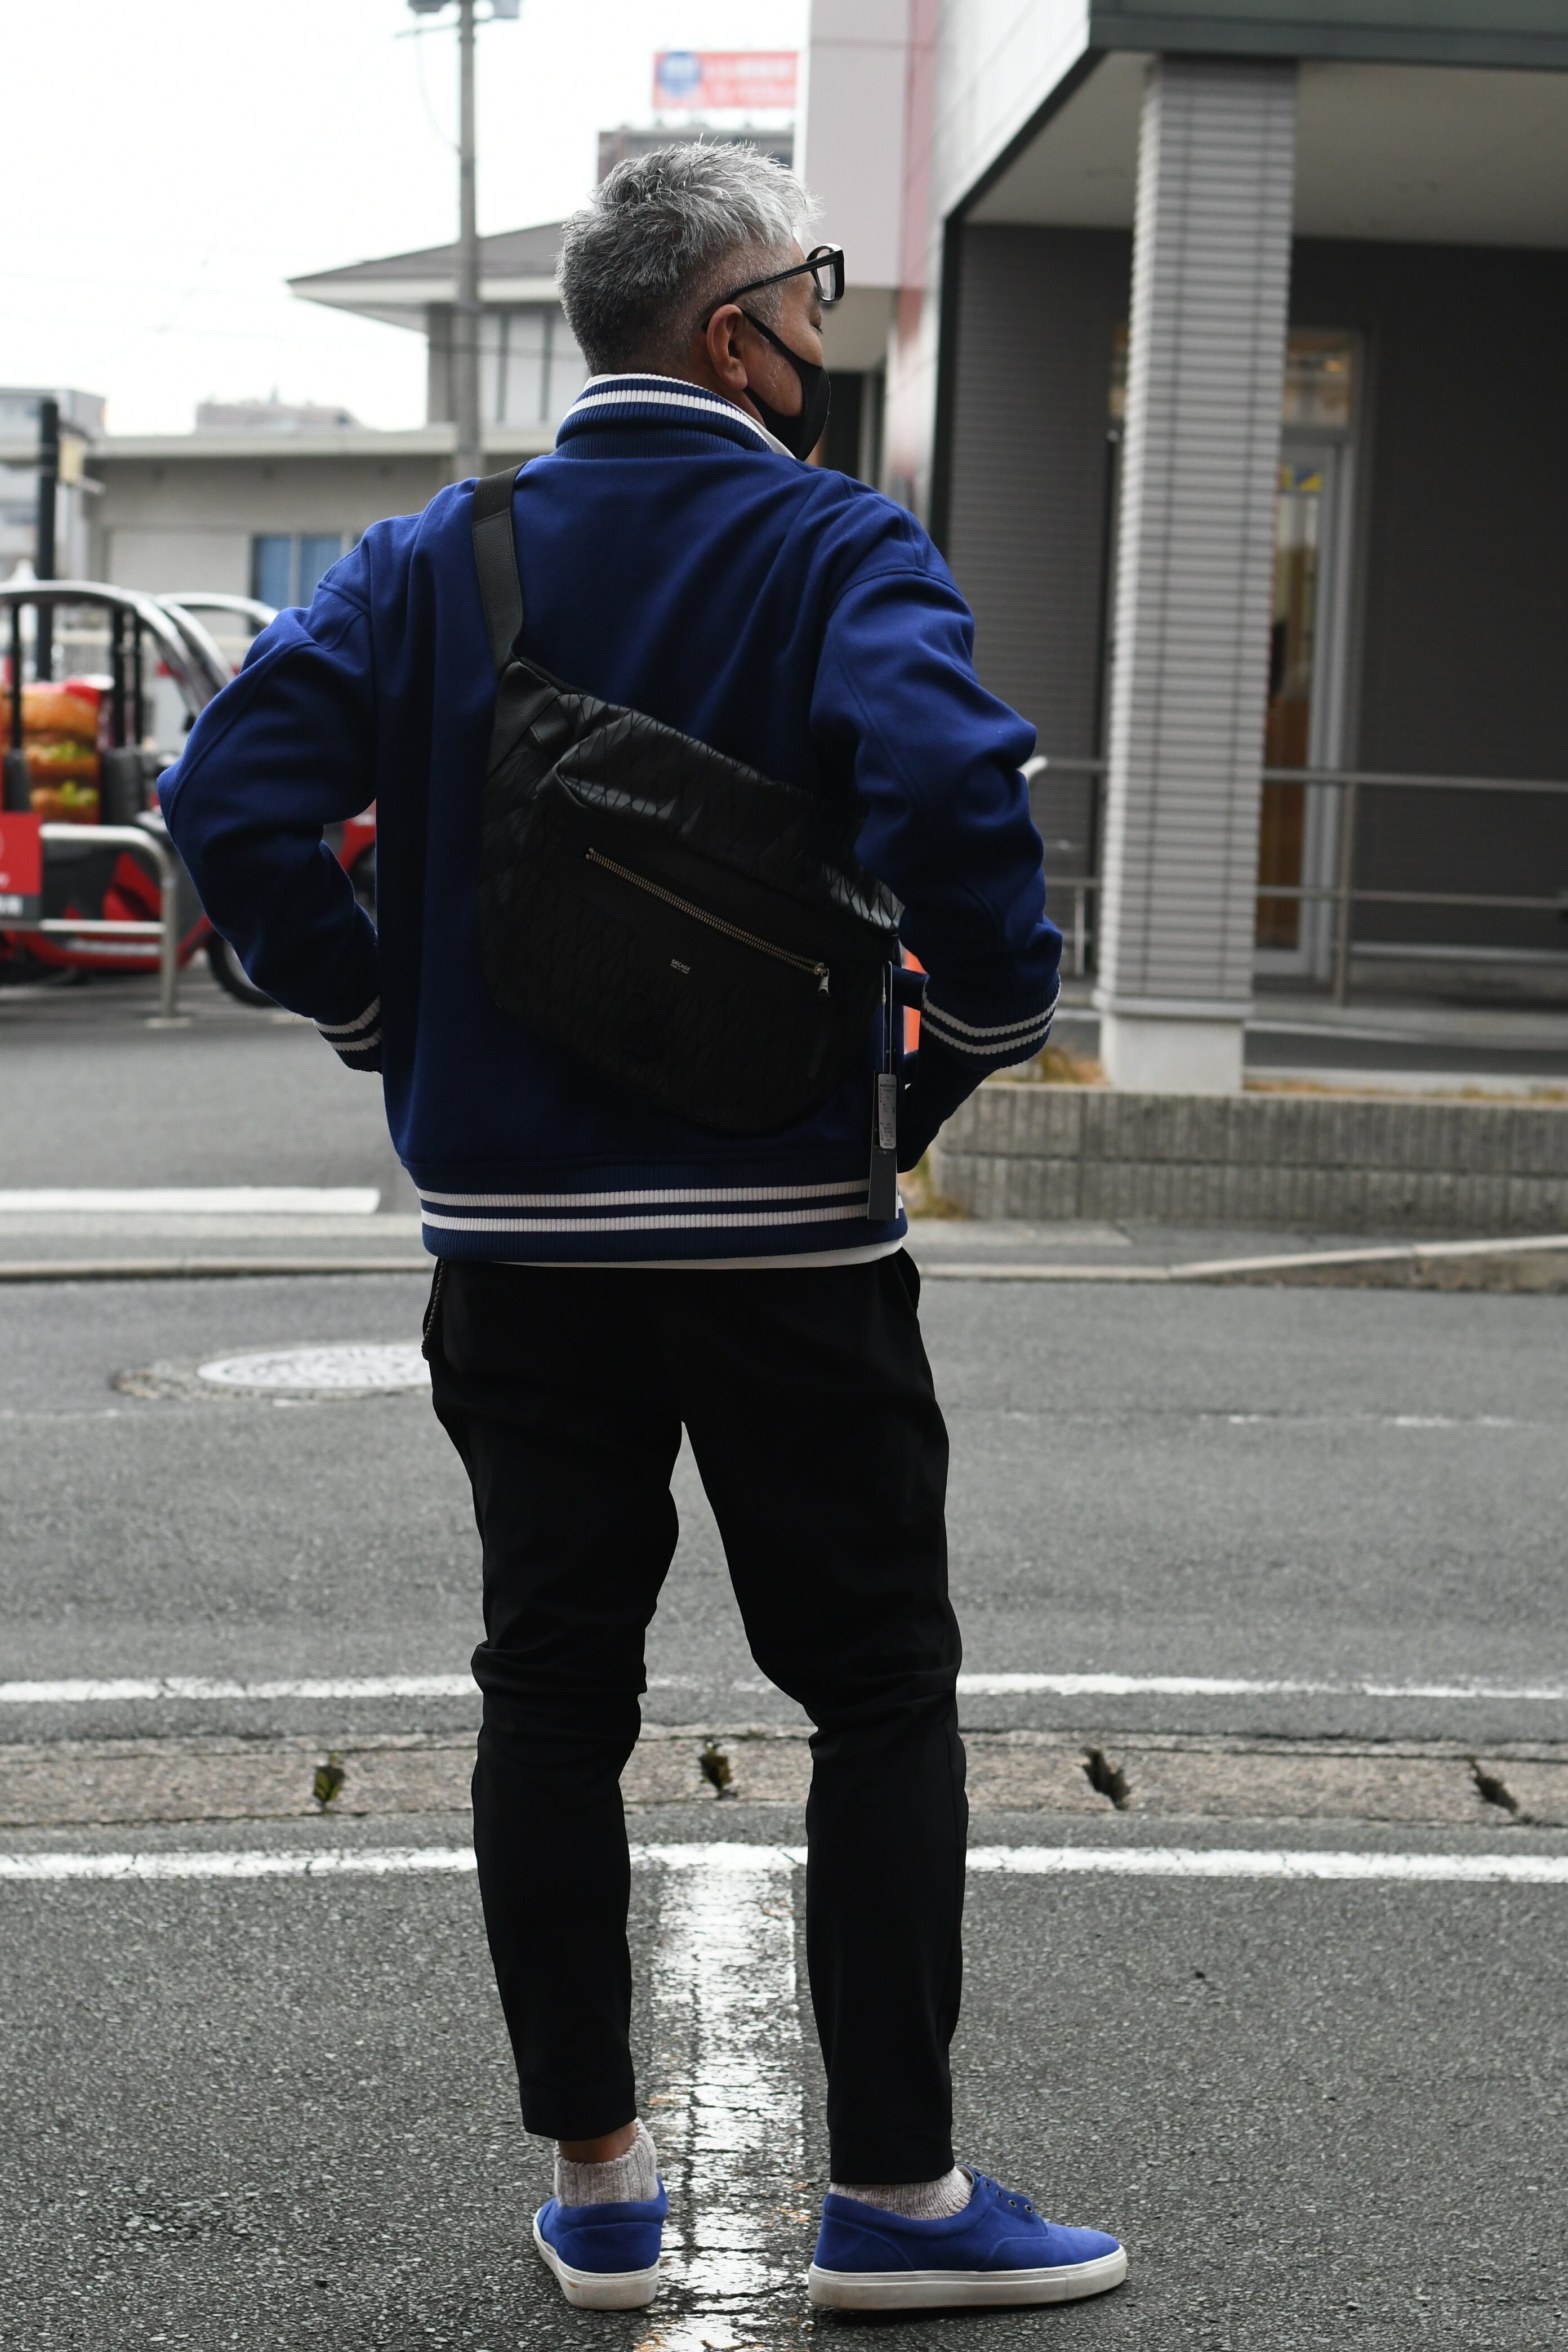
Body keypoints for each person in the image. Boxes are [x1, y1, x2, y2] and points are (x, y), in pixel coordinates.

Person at [160, 142, 1126, 2318]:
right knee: (876, 1688)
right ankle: (896, 2203)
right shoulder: (834, 543)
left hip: (513, 1247)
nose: (827, 325)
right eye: (815, 289)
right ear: (735, 332)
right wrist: (971, 1034)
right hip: (787, 1241)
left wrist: (382, 1009)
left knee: (551, 1689)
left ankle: (601, 2191)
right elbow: (955, 795)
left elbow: (226, 796)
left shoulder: (441, 554)